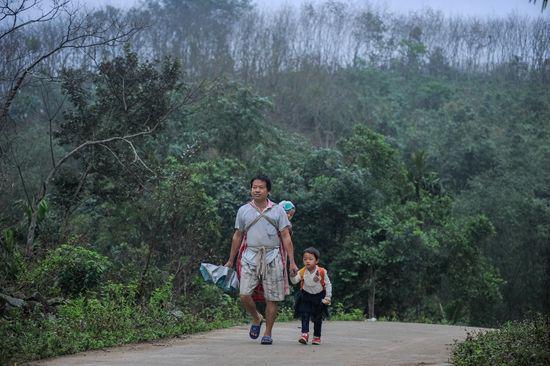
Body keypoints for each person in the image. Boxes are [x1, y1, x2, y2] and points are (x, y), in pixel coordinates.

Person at [225, 174, 298, 345]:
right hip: (249, 256)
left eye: (261, 187)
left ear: (268, 191)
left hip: (273, 256)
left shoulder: (278, 210)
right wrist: (230, 259)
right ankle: (256, 317)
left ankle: (268, 333)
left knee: (272, 298)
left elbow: (286, 236)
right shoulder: (243, 210)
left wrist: (292, 261)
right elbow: (237, 235)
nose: (257, 190)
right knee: (244, 294)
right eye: (254, 187)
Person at [290, 247, 332, 345]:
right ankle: (304, 334)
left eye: (310, 259)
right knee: (304, 315)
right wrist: (292, 275)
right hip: (305, 297)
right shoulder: (302, 271)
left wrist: (328, 296)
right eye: (305, 259)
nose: (307, 261)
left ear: (316, 260)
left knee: (318, 318)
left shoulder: (322, 271)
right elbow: (295, 281)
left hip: (319, 297)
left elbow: (328, 284)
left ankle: (317, 336)